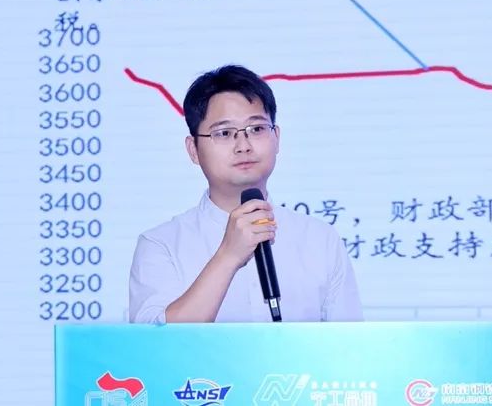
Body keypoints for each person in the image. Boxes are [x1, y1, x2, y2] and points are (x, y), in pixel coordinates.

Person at [129, 65, 363, 323]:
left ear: (277, 137)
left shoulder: (320, 240)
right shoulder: (160, 245)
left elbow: (350, 344)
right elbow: (153, 343)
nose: (243, 146)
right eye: (224, 133)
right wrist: (228, 256)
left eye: (257, 129)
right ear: (193, 149)